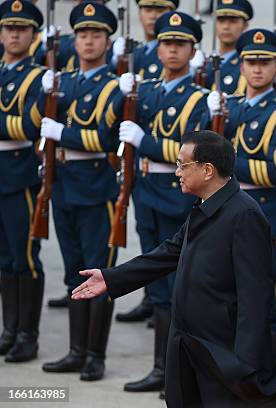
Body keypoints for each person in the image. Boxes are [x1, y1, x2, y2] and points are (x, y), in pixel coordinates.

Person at [72, 130, 276, 408]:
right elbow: (169, 253)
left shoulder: (244, 215)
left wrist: (243, 368)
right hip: (188, 343)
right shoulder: (207, 205)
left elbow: (254, 299)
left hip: (220, 353)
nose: (176, 173)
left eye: (182, 165)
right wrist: (112, 278)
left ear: (207, 170)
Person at [104, 10, 207, 397]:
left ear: (192, 50)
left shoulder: (198, 97)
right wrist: (120, 92)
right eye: (166, 43)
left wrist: (144, 141)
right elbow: (112, 127)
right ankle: (162, 368)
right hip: (146, 192)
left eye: (180, 44)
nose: (171, 50)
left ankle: (181, 371)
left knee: (180, 287)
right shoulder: (144, 90)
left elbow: (191, 151)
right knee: (159, 289)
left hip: (176, 194)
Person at [39, 1, 121, 381]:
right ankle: (75, 350)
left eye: (96, 35)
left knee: (97, 272)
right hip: (65, 185)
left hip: (95, 186)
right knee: (74, 272)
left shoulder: (114, 87)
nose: (88, 41)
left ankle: (95, 355)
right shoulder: (63, 81)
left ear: (108, 41)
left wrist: (63, 133)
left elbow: (104, 137)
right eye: (83, 34)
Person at [204, 27, 276, 346]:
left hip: (264, 215)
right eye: (250, 62)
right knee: (226, 299)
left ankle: (273, 386)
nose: (257, 69)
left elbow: (273, 173)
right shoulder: (227, 109)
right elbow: (200, 161)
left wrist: (222, 160)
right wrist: (208, 118)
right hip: (223, 214)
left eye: (264, 63)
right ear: (240, 66)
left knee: (268, 305)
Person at [0, 0, 45, 363]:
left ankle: (28, 335)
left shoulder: (37, 77)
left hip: (19, 174)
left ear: (33, 34)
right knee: (3, 258)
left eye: (22, 28)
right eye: (8, 27)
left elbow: (29, 126)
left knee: (24, 257)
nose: (14, 33)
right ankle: (10, 329)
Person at [111, 0, 179, 80]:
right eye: (148, 10)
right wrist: (114, 63)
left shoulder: (175, 53)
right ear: (139, 14)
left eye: (160, 11)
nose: (153, 16)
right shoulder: (131, 51)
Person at [204, 0, 253, 95]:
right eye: (221, 21)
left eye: (233, 21)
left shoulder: (248, 63)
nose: (226, 27)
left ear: (245, 25)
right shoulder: (206, 63)